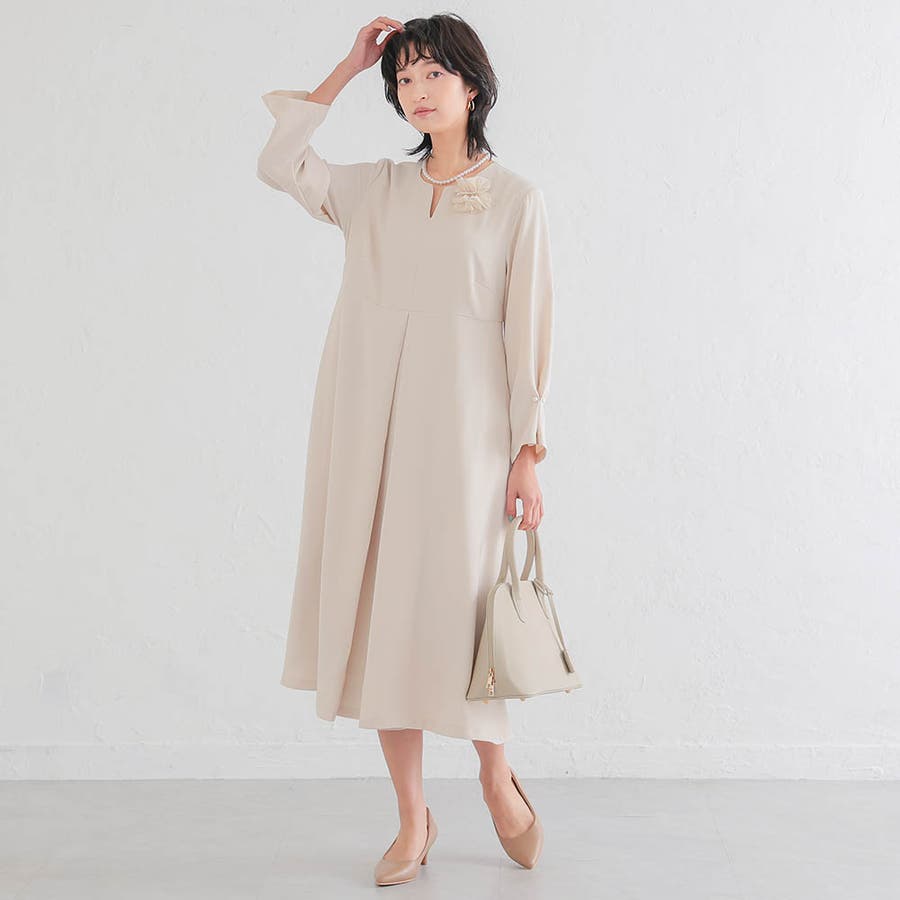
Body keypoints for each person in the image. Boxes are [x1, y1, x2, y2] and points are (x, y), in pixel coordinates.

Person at [256, 13, 552, 884]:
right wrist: (349, 66)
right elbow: (281, 162)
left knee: (463, 613)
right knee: (383, 614)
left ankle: (496, 776)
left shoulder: (516, 201)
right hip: (368, 427)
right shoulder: (375, 189)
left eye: (433, 74)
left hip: (465, 436)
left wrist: (528, 453)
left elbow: (528, 332)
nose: (417, 90)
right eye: (405, 77)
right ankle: (412, 817)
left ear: (473, 86)